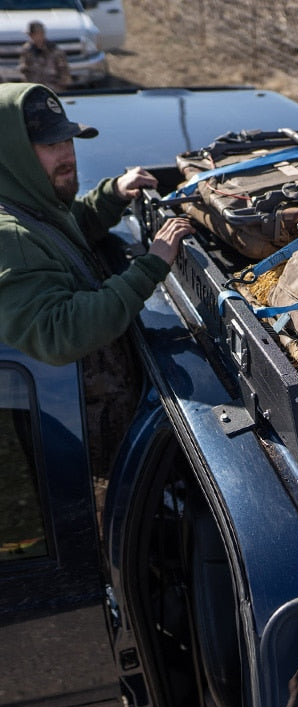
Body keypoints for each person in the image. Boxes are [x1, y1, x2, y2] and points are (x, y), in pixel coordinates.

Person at [0, 82, 194, 515]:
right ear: (10, 151)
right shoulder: (7, 236)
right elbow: (59, 334)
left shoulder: (29, 199)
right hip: (87, 448)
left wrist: (111, 195)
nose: (66, 153)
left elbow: (65, 233)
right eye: (49, 144)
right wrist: (151, 264)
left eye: (66, 138)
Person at [19, 21, 72, 94]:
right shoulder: (27, 49)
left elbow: (64, 71)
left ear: (41, 34)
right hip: (34, 90)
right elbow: (24, 70)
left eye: (33, 34)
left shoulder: (54, 50)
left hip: (53, 90)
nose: (31, 37)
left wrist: (61, 88)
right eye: (30, 35)